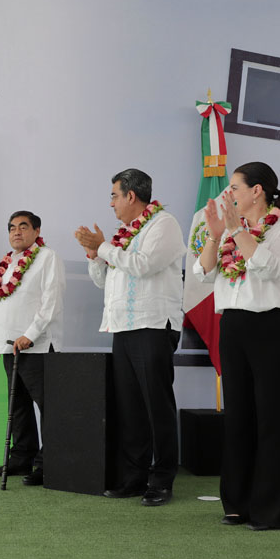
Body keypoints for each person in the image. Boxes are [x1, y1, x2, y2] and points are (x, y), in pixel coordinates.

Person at [196, 162, 280, 530]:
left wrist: (235, 230)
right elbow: (203, 272)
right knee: (238, 416)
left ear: (257, 191)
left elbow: (269, 266)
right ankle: (237, 505)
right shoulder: (230, 232)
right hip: (235, 323)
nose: (230, 195)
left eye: (236, 189)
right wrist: (215, 235)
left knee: (270, 419)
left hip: (275, 324)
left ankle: (269, 512)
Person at [74, 168, 185, 506]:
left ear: (131, 196)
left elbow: (144, 265)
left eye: (113, 196)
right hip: (122, 326)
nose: (111, 204)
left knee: (156, 406)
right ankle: (134, 478)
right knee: (131, 408)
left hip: (153, 325)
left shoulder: (163, 224)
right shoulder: (123, 234)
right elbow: (104, 281)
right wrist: (95, 254)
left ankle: (162, 480)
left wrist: (104, 247)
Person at [0, 211, 65, 486]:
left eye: (23, 226)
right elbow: (1, 305)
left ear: (36, 230)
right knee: (17, 406)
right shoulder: (7, 263)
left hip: (37, 346)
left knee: (48, 406)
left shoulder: (47, 257)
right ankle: (21, 459)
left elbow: (50, 302)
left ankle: (48, 464)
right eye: (11, 228)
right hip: (10, 347)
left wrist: (30, 335)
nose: (16, 232)